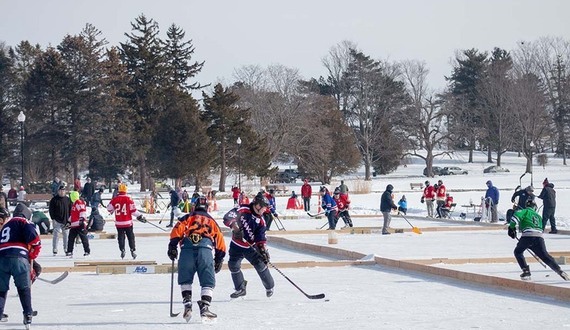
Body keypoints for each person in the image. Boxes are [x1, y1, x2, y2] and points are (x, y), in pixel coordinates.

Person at [167, 195, 226, 321]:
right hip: (205, 250)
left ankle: (187, 303)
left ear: (195, 206)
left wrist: (172, 246)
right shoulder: (212, 221)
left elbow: (176, 231)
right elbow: (220, 240)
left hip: (187, 249)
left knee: (185, 279)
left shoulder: (187, 217)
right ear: (207, 208)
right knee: (207, 281)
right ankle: (205, 306)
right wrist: (219, 258)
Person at [222, 193, 275, 298]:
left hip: (250, 247)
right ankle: (240, 288)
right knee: (233, 265)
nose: (265, 210)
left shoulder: (261, 222)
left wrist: (262, 250)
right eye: (264, 207)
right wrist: (235, 228)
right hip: (236, 244)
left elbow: (261, 238)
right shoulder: (243, 209)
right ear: (258, 205)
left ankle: (270, 286)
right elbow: (228, 217)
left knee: (260, 265)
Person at [0, 204, 41, 327]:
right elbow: (35, 242)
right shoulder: (25, 222)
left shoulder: (6, 225)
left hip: (2, 258)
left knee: (1, 289)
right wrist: (32, 257)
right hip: (19, 258)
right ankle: (28, 314)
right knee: (23, 288)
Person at [508, 199, 568, 281]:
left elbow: (514, 218)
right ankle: (559, 270)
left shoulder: (524, 211)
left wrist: (511, 228)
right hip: (539, 237)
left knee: (518, 252)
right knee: (545, 256)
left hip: (527, 236)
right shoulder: (538, 216)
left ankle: (526, 271)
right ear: (535, 207)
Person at [106, 183, 146, 259]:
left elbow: (108, 208)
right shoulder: (129, 199)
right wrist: (140, 216)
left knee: (121, 237)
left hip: (119, 223)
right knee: (130, 237)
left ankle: (122, 249)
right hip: (128, 222)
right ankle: (132, 249)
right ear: (125, 191)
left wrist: (113, 209)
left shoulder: (115, 199)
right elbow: (133, 211)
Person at [49, 185, 72, 256]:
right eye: (61, 191)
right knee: (56, 235)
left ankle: (66, 249)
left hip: (66, 220)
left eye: (63, 191)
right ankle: (55, 248)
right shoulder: (54, 200)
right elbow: (51, 210)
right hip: (57, 220)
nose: (62, 192)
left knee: (66, 235)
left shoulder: (68, 199)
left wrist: (70, 220)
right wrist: (53, 218)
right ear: (58, 191)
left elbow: (71, 210)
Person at [66, 191, 90, 257]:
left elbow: (82, 211)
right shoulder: (74, 204)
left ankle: (87, 251)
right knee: (71, 238)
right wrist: (68, 221)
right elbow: (73, 214)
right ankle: (69, 251)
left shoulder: (79, 202)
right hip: (74, 224)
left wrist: (82, 219)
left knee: (83, 238)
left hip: (79, 224)